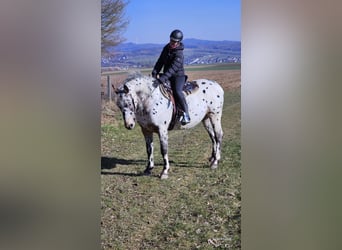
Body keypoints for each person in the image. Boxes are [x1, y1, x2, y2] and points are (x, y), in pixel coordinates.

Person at [152, 29, 191, 125]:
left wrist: (161, 79)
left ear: (179, 42)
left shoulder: (179, 54)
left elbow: (172, 69)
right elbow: (160, 61)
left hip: (178, 76)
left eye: (175, 42)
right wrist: (155, 71)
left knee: (177, 91)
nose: (172, 43)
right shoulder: (166, 48)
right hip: (167, 75)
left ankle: (186, 113)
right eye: (171, 40)